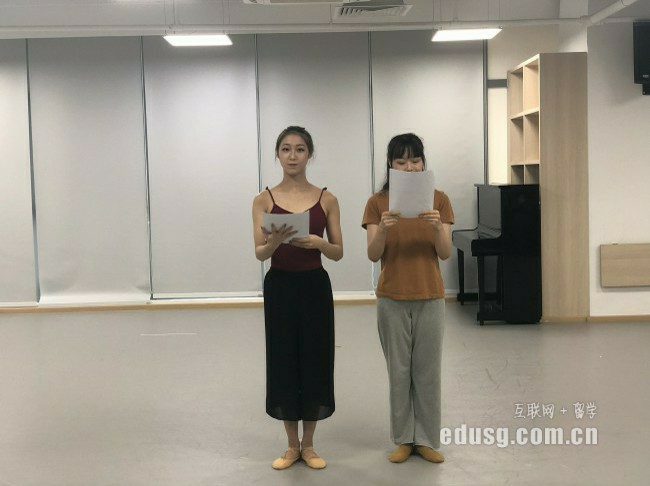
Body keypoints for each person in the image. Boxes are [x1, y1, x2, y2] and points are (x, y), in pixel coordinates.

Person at [252, 126, 343, 470]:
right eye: (286, 149)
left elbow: (338, 252)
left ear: (309, 154)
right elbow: (260, 253)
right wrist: (275, 242)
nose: (292, 156)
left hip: (314, 286)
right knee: (284, 359)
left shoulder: (327, 199)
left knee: (315, 359)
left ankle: (310, 444)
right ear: (277, 154)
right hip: (280, 286)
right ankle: (292, 445)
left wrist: (319, 243)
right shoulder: (263, 200)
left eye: (300, 149)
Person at [362, 133, 454, 464]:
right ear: (391, 165)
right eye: (401, 161)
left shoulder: (439, 200)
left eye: (415, 160)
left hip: (430, 295)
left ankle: (426, 439)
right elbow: (373, 254)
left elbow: (445, 253)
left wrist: (437, 227)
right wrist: (385, 228)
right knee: (399, 373)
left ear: (423, 162)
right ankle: (403, 439)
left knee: (428, 372)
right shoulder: (377, 203)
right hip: (392, 297)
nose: (410, 167)